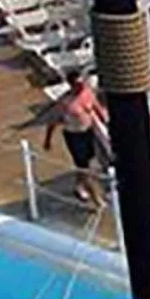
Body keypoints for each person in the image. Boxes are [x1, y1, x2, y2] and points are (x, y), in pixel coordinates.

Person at [45, 68, 109, 206]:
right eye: (78, 85)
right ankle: (97, 200)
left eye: (82, 83)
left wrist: (107, 123)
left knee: (91, 161)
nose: (81, 86)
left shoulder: (88, 92)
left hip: (89, 132)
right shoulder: (65, 103)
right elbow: (53, 122)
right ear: (71, 84)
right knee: (84, 167)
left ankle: (79, 186)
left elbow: (97, 108)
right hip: (74, 136)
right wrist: (48, 140)